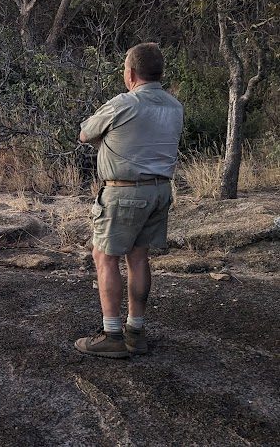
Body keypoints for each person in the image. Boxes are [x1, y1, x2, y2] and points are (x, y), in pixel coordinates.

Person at [74, 42, 184, 358]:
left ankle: (111, 335)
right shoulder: (175, 106)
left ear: (130, 73)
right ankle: (136, 330)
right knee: (138, 257)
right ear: (159, 73)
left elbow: (85, 133)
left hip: (124, 191)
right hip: (160, 191)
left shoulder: (125, 103)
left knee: (104, 256)